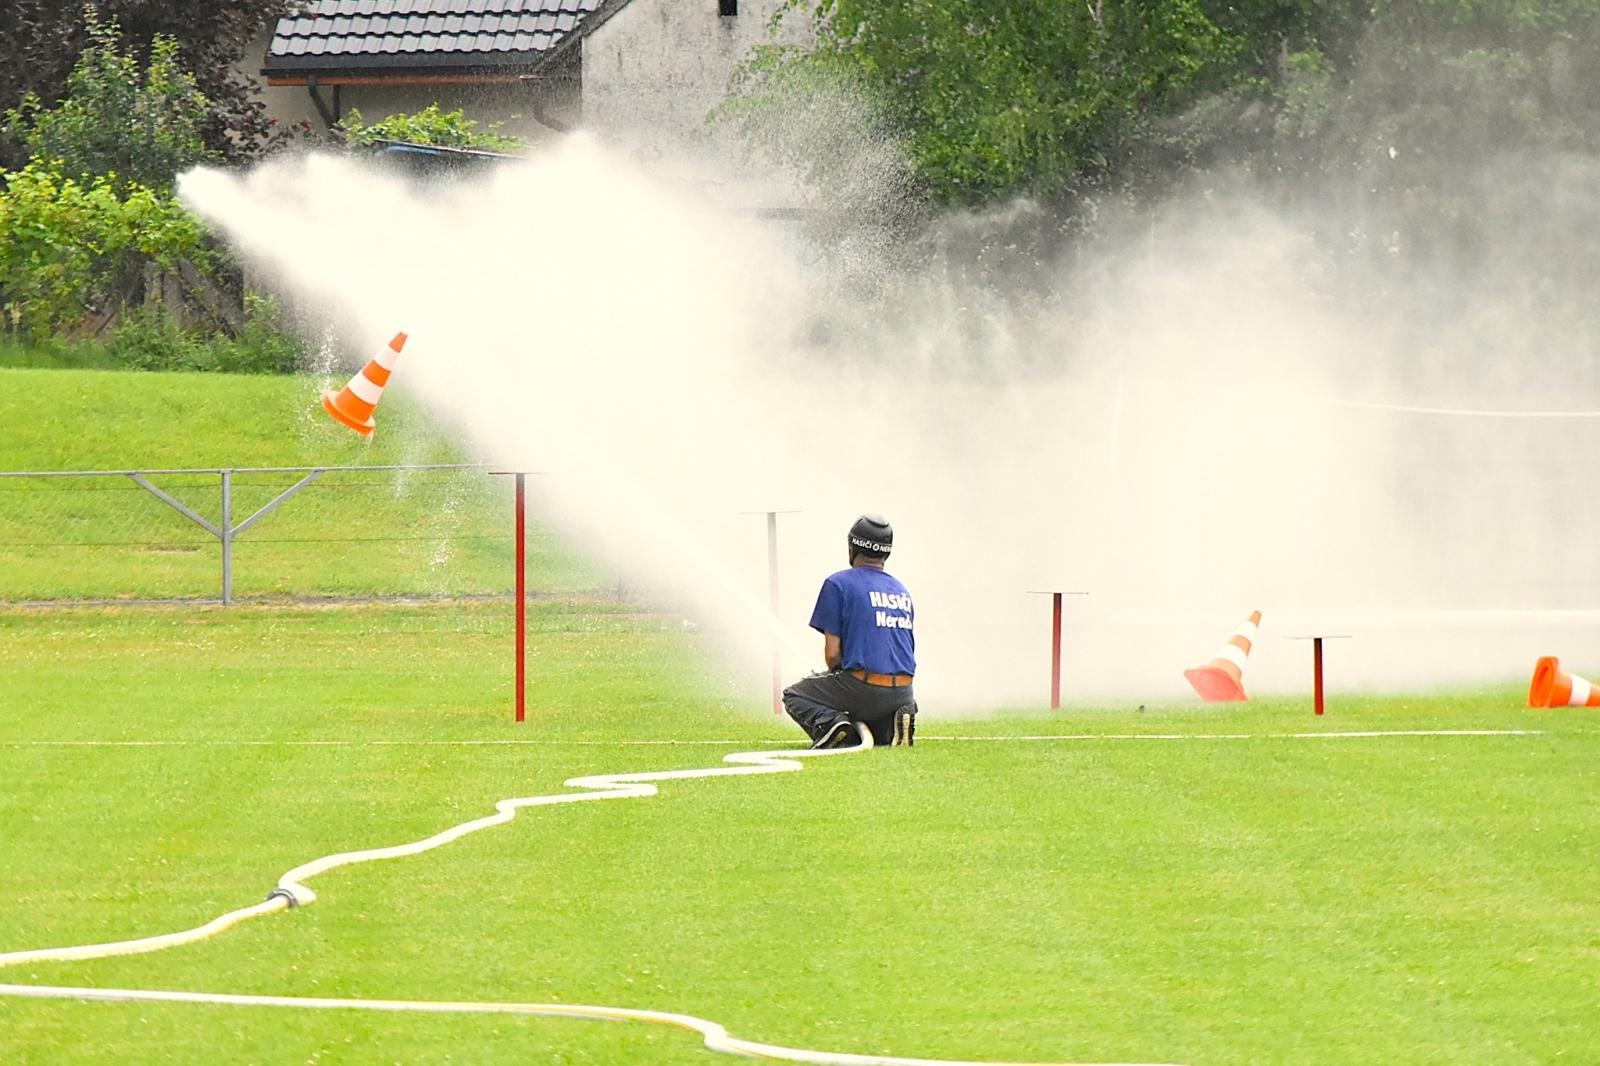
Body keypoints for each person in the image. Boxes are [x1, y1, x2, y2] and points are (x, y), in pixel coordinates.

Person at [782, 514, 916, 748]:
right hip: (903, 693)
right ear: (887, 552)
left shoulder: (838, 584)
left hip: (862, 688)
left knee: (795, 694)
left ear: (852, 547)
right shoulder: (901, 590)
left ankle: (836, 727)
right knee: (872, 718)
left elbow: (833, 655)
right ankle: (891, 725)